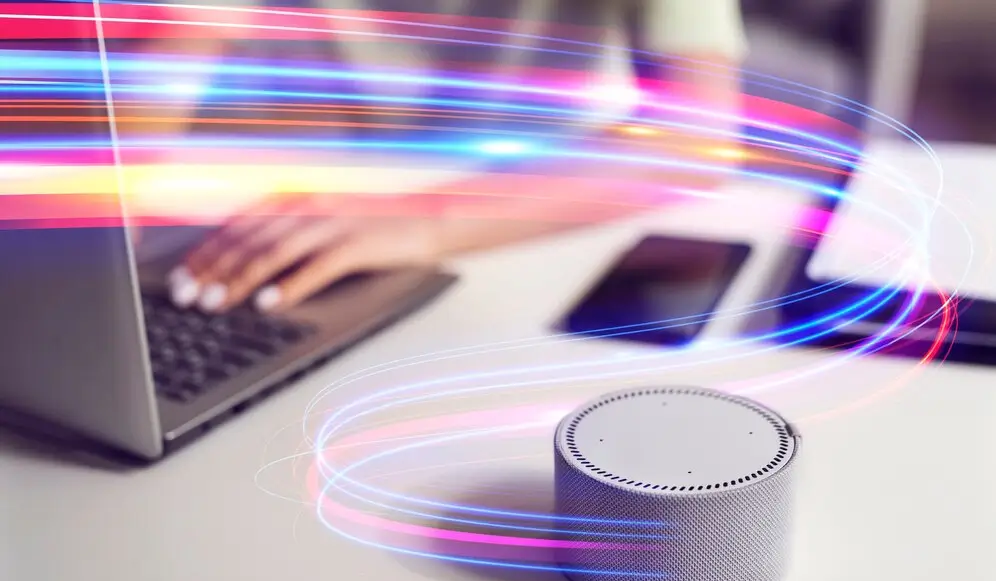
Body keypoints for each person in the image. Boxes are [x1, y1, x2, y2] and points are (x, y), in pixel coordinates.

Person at [163, 0, 749, 313]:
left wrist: (421, 216)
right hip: (313, 208)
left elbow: (695, 133)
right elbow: (152, 75)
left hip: (543, 207)